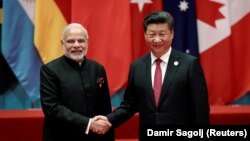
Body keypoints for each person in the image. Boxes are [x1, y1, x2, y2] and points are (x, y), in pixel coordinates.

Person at [94, 11, 210, 140]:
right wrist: (108, 119)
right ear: (145, 35)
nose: (157, 39)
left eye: (162, 34)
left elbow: (201, 109)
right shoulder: (137, 67)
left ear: (172, 34)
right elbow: (129, 105)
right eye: (152, 34)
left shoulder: (189, 64)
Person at [40, 23, 114, 141]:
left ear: (87, 42)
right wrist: (89, 123)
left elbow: (105, 108)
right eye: (70, 41)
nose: (76, 45)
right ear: (62, 44)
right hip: (61, 136)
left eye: (81, 40)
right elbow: (52, 108)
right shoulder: (50, 70)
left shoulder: (98, 68)